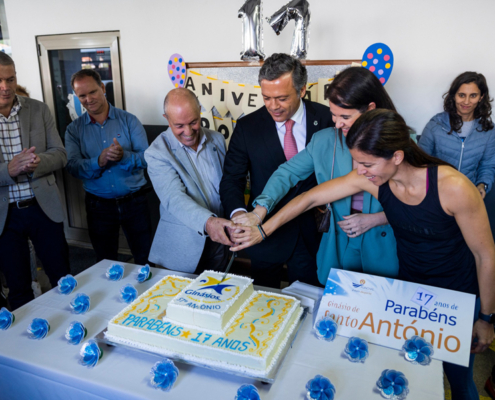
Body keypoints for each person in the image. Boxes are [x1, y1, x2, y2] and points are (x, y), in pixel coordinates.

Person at [232, 109, 495, 399]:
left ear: (396, 156)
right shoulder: (374, 179)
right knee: (409, 372)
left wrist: (485, 317)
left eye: (367, 163)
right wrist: (263, 229)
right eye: (357, 161)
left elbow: (486, 256)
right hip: (409, 290)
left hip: (455, 296)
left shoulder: (454, 187)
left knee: (459, 381)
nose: (359, 171)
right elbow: (312, 197)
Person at [233, 67, 399, 284]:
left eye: (345, 117)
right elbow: (287, 174)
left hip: (382, 244)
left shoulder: (400, 142)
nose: (337, 124)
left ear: (370, 109)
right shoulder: (325, 140)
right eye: (333, 114)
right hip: (338, 243)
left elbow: (419, 207)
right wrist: (259, 211)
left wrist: (375, 219)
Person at [220, 53, 334, 288]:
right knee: (262, 304)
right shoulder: (246, 127)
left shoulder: (327, 119)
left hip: (312, 234)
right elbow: (232, 178)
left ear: (302, 90)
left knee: (309, 299)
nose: (273, 106)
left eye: (282, 98)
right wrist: (239, 215)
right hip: (262, 232)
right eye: (266, 98)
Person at [0, 53, 70, 310]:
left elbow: (60, 154)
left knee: (63, 277)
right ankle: (26, 346)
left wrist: (38, 162)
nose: (5, 87)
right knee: (18, 288)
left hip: (43, 207)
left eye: (10, 79)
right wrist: (8, 169)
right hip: (5, 215)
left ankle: (73, 332)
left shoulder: (38, 109)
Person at [65, 69, 152, 265]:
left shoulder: (129, 121)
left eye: (93, 92)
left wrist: (123, 156)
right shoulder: (73, 130)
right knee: (105, 263)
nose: (88, 99)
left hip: (135, 203)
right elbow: (72, 167)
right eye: (82, 96)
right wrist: (99, 161)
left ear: (103, 88)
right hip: (99, 207)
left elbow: (147, 159)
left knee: (145, 258)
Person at [144, 88, 235, 273]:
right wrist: (209, 223)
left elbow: (228, 185)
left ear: (200, 110)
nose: (188, 131)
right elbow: (174, 198)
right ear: (166, 118)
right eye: (179, 125)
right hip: (183, 248)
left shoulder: (217, 139)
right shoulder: (156, 153)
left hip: (220, 242)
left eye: (193, 122)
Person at [419, 71, 495, 199]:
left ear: (481, 97)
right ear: (453, 96)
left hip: (468, 195)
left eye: (473, 95)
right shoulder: (435, 125)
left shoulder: (488, 130)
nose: (466, 101)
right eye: (461, 95)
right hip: (436, 194)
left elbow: (487, 165)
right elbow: (420, 161)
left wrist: (482, 185)